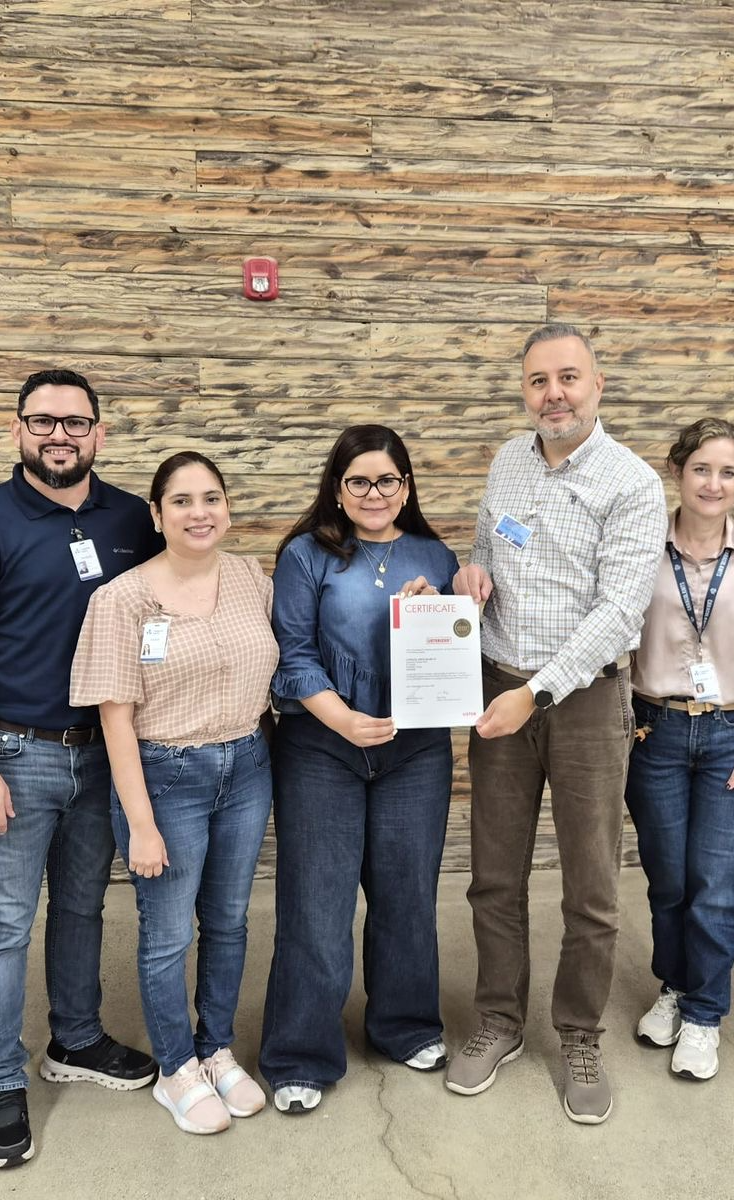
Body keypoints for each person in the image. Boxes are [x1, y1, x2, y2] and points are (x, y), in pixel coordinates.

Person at [0, 369, 160, 1169]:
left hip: (106, 752)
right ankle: (0, 1080)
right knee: (3, 928)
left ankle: (76, 1039)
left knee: (83, 909)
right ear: (18, 430)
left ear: (99, 432)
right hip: (16, 753)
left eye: (75, 422)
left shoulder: (132, 518)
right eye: (43, 421)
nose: (59, 435)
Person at [445, 323, 665, 1124]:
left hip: (583, 705)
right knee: (494, 876)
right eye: (539, 380)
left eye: (569, 377)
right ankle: (499, 1020)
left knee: (591, 888)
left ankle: (578, 1034)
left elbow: (619, 614)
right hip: (497, 687)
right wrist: (471, 575)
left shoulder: (633, 484)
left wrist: (534, 693)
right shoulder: (509, 459)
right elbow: (486, 551)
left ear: (598, 385)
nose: (554, 394)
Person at [70, 452, 275, 1135]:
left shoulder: (250, 578)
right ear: (156, 515)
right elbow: (114, 719)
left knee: (229, 920)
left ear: (227, 508)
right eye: (181, 501)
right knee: (166, 935)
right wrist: (141, 823)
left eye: (211, 497)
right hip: (166, 776)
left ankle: (216, 1049)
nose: (199, 512)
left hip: (247, 764)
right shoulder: (122, 599)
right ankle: (176, 1066)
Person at [258, 426, 460, 1115]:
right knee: (316, 905)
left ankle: (406, 1026)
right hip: (322, 746)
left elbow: (451, 650)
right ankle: (300, 1054)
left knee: (408, 895)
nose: (375, 494)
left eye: (388, 480)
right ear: (338, 489)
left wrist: (440, 607)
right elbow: (292, 653)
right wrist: (342, 718)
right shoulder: (305, 554)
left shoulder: (435, 554)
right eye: (359, 481)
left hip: (415, 750)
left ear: (406, 486)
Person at [624, 417, 734, 1082]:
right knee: (669, 881)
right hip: (654, 731)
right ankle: (674, 985)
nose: (714, 484)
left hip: (732, 734)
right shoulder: (642, 545)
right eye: (701, 469)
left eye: (727, 472)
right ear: (677, 472)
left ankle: (704, 1015)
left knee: (716, 887)